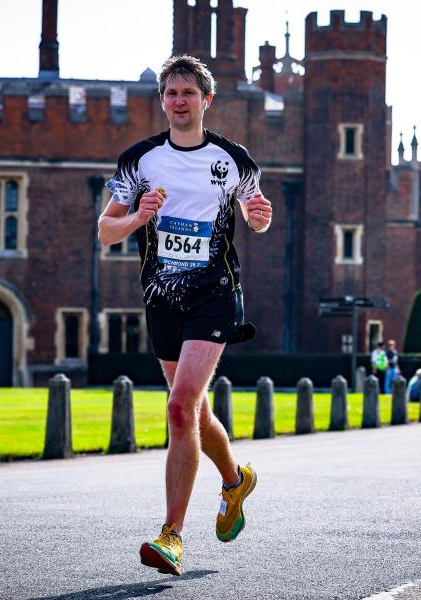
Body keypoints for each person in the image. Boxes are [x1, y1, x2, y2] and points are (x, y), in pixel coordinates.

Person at [97, 55, 271, 577]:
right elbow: (105, 231)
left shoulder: (232, 158)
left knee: (179, 409)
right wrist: (138, 217)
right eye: (170, 93)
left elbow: (254, 212)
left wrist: (259, 218)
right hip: (161, 296)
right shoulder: (141, 160)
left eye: (188, 93)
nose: (178, 101)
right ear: (163, 101)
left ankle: (171, 533)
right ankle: (236, 479)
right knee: (190, 410)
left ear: (206, 100)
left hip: (214, 293)